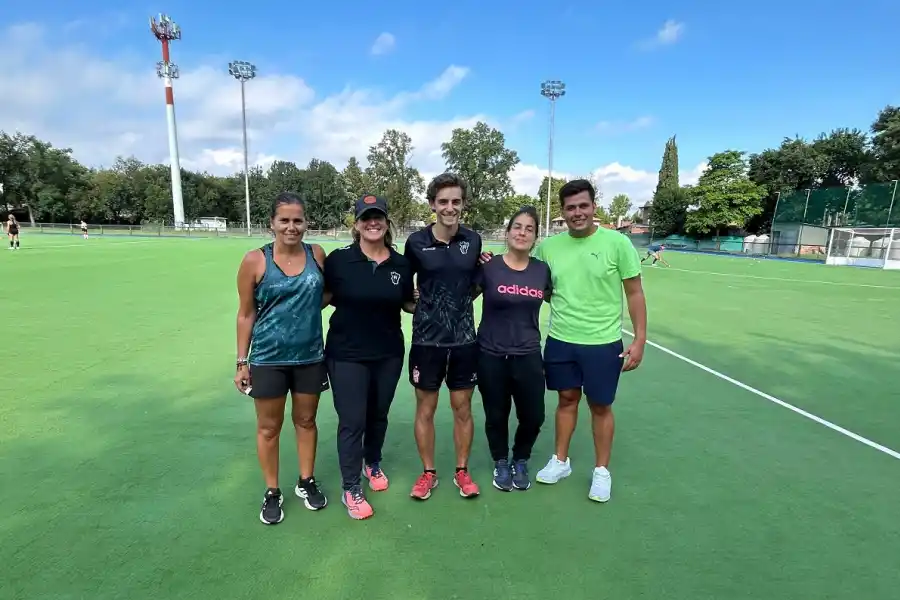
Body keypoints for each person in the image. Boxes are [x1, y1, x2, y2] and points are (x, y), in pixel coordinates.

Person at [532, 179, 647, 503]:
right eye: (571, 208)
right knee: (566, 399)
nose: (577, 213)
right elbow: (540, 288)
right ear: (563, 212)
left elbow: (635, 292)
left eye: (583, 206)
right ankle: (560, 461)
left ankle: (601, 471)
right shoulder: (548, 248)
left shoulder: (618, 243)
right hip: (561, 340)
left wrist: (640, 339)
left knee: (600, 405)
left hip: (603, 343)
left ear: (594, 207)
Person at [234, 192, 330, 525]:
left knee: (306, 421)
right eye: (284, 220)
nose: (292, 227)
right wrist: (241, 362)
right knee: (269, 427)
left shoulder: (317, 254)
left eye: (298, 220)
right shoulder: (255, 261)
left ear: (306, 223)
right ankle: (272, 490)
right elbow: (246, 314)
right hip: (268, 358)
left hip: (309, 357)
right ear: (272, 223)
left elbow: (326, 292)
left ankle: (306, 480)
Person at [323, 195, 416, 520]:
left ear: (387, 222)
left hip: (388, 352)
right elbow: (321, 298)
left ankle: (371, 463)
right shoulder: (338, 260)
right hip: (346, 353)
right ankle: (351, 487)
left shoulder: (402, 264)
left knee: (378, 414)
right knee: (352, 421)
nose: (372, 223)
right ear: (357, 224)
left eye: (378, 217)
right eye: (366, 218)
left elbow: (407, 303)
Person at [404, 172, 484, 500]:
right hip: (426, 342)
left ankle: (462, 472)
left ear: (463, 204)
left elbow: (477, 284)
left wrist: (459, 306)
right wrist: (416, 306)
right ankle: (428, 473)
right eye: (443, 202)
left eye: (455, 201)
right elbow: (402, 289)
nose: (449, 208)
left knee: (462, 407)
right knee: (426, 409)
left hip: (464, 341)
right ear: (432, 205)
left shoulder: (473, 241)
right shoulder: (416, 243)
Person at [473, 206, 550, 492]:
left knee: (534, 415)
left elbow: (562, 299)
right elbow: (464, 295)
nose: (522, 232)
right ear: (507, 232)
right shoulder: (489, 267)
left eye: (529, 229)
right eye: (517, 226)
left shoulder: (542, 271)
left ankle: (520, 457)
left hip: (528, 354)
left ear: (535, 237)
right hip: (491, 354)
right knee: (496, 414)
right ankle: (501, 461)